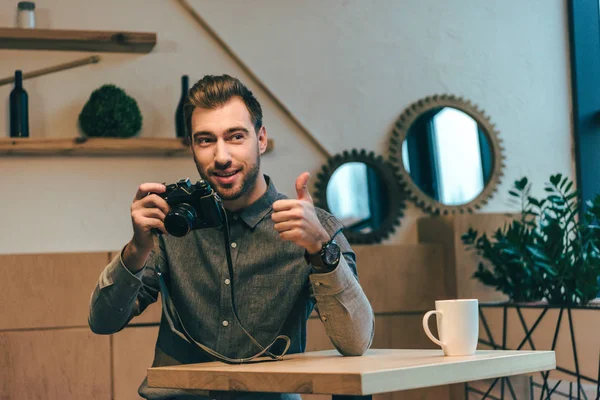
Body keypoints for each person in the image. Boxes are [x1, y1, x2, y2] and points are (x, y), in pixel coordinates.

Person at [88, 74, 375, 400]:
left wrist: (321, 249)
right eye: (206, 140)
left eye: (235, 136)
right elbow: (103, 322)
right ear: (192, 147)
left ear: (261, 139)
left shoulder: (314, 228)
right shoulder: (172, 226)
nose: (221, 156)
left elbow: (356, 341)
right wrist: (137, 248)